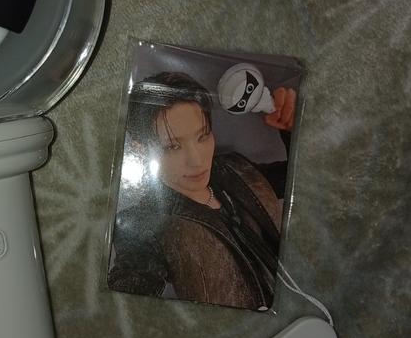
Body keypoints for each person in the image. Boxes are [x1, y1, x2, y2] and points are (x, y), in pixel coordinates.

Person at [107, 71, 296, 310]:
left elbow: (297, 179)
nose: (196, 160)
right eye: (173, 146)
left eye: (203, 136)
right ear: (141, 150)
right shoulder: (143, 222)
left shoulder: (233, 167)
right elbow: (126, 294)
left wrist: (294, 128)